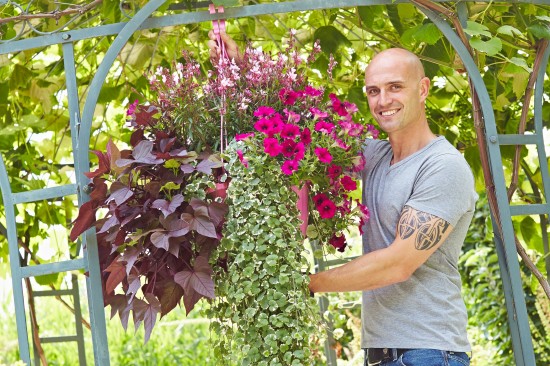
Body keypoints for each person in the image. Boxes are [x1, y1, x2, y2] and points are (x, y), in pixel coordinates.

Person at [209, 32, 477, 366]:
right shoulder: (377, 156)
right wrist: (239, 68)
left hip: (428, 353)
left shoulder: (443, 166)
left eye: (395, 87)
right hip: (383, 354)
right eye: (373, 91)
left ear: (422, 89)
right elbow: (291, 129)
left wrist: (304, 283)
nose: (383, 101)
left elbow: (399, 263)